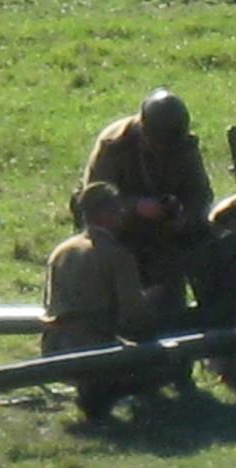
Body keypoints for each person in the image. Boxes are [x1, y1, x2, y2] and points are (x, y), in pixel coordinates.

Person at [42, 181, 170, 421]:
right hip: (98, 349)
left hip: (56, 345)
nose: (122, 215)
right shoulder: (116, 255)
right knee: (165, 360)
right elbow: (133, 315)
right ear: (106, 214)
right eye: (117, 210)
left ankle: (92, 396)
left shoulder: (61, 251)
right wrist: (151, 300)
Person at [79, 89, 214, 316]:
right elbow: (93, 202)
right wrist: (136, 207)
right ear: (143, 130)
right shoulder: (114, 146)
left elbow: (200, 194)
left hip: (165, 235)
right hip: (118, 231)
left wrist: (183, 218)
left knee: (207, 245)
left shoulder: (183, 146)